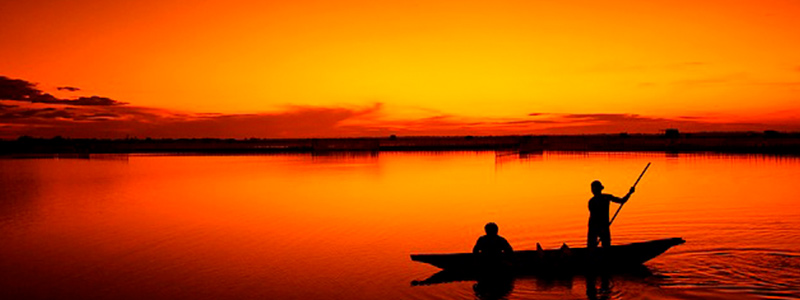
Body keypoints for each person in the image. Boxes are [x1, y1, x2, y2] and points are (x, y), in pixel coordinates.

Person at [587, 180, 634, 249]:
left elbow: (622, 201)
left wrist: (630, 193)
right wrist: (630, 193)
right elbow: (595, 215)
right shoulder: (594, 201)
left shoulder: (602, 198)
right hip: (597, 226)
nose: (593, 191)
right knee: (596, 247)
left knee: (601, 246)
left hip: (599, 226)